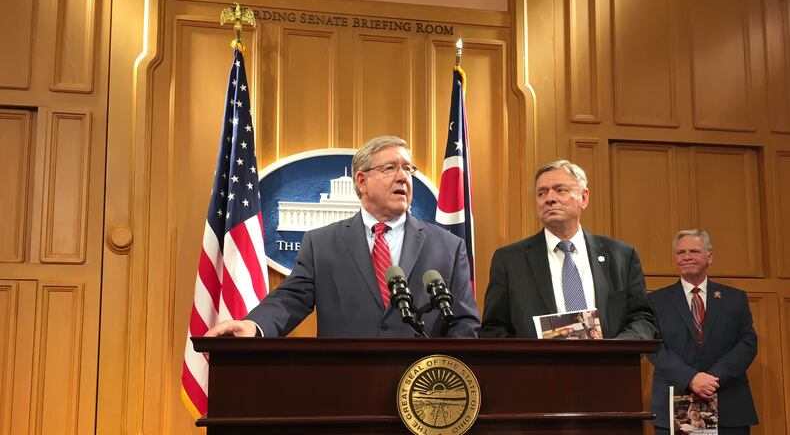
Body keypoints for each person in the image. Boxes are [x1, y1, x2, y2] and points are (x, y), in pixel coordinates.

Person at [205, 135, 480, 338]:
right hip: (345, 388)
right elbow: (290, 299)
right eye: (390, 168)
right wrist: (254, 326)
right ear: (361, 181)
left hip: (422, 396)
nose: (403, 178)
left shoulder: (448, 246)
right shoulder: (321, 244)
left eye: (408, 169)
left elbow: (465, 323)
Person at [480, 159, 656, 339]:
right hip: (536, 366)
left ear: (584, 198)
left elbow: (642, 319)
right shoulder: (510, 260)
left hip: (609, 365)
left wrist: (615, 351)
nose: (549, 199)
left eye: (560, 190)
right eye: (541, 193)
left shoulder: (621, 256)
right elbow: (493, 329)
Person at [647, 229, 758, 435]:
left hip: (728, 404)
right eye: (680, 253)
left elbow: (747, 343)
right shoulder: (655, 302)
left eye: (694, 251)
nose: (686, 257)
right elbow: (653, 347)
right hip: (674, 406)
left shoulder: (735, 298)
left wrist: (712, 379)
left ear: (710, 256)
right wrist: (691, 378)